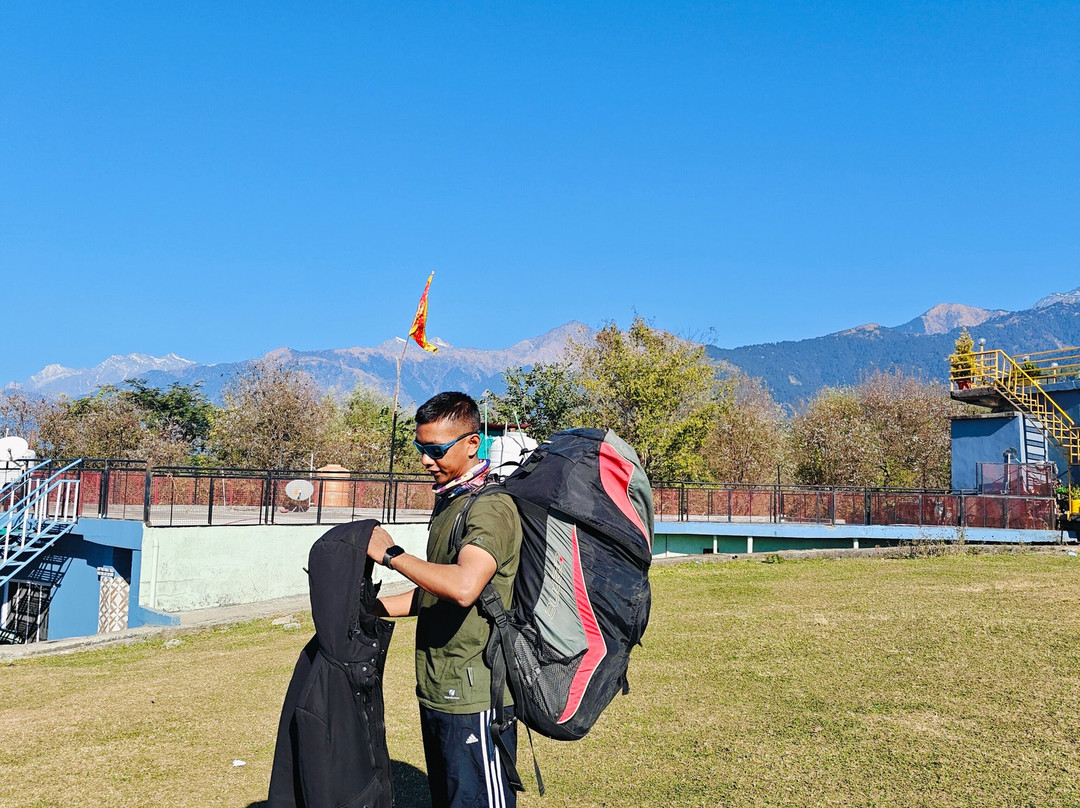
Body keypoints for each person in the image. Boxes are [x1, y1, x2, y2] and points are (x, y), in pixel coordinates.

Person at [366, 391, 523, 808]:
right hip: (439, 686)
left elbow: (464, 586)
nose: (425, 460)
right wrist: (371, 609)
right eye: (420, 448)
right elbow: (435, 591)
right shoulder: (451, 502)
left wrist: (392, 555)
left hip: (476, 693)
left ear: (473, 443)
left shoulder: (490, 508)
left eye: (436, 449)